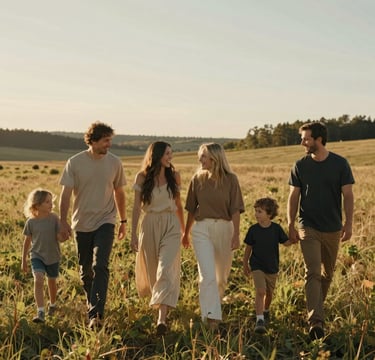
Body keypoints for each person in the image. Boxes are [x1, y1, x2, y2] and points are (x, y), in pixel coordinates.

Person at [287, 122, 354, 340]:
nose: (302, 142)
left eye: (306, 138)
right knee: (313, 271)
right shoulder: (300, 165)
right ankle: (316, 322)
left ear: (319, 140)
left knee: (327, 273)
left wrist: (349, 223)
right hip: (308, 226)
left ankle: (316, 308)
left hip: (333, 227)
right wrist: (290, 223)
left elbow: (348, 195)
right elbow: (293, 196)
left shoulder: (340, 164)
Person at [59, 121, 127, 330]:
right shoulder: (75, 162)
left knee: (100, 265)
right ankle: (93, 302)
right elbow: (66, 195)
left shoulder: (115, 163)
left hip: (106, 221)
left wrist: (123, 221)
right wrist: (62, 221)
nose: (109, 145)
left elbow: (119, 193)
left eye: (110, 140)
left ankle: (96, 315)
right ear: (94, 140)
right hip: (82, 223)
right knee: (85, 271)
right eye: (106, 141)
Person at [182, 143, 245, 330]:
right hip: (202, 230)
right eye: (200, 156)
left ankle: (213, 307)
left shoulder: (231, 180)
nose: (200, 160)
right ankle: (211, 318)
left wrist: (236, 235)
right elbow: (192, 210)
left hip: (225, 230)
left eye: (203, 157)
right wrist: (186, 233)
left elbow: (235, 210)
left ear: (215, 159)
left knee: (220, 278)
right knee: (207, 275)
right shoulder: (197, 179)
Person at [131, 141, 185, 336]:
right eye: (167, 154)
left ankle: (161, 318)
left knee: (165, 267)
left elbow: (178, 205)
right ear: (157, 155)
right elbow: (137, 208)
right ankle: (162, 306)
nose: (170, 157)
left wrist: (184, 230)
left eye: (172, 153)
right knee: (154, 270)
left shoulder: (175, 177)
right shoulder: (142, 177)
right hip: (149, 224)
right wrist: (132, 235)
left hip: (171, 224)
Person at [243, 197, 292, 334]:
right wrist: (245, 263)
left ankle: (265, 310)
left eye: (260, 211)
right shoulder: (253, 230)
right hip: (257, 265)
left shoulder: (276, 229)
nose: (256, 214)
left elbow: (286, 243)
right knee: (261, 291)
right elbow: (248, 248)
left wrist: (295, 237)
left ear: (269, 214)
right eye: (256, 211)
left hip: (272, 267)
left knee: (269, 293)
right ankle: (259, 320)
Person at [22, 188, 65, 323]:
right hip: (37, 255)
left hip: (53, 256)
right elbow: (27, 242)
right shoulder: (31, 222)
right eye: (47, 202)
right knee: (38, 280)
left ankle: (52, 305)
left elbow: (59, 236)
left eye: (51, 201)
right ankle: (40, 311)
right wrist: (23, 260)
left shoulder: (54, 218)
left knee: (52, 282)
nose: (51, 204)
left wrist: (63, 236)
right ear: (37, 204)